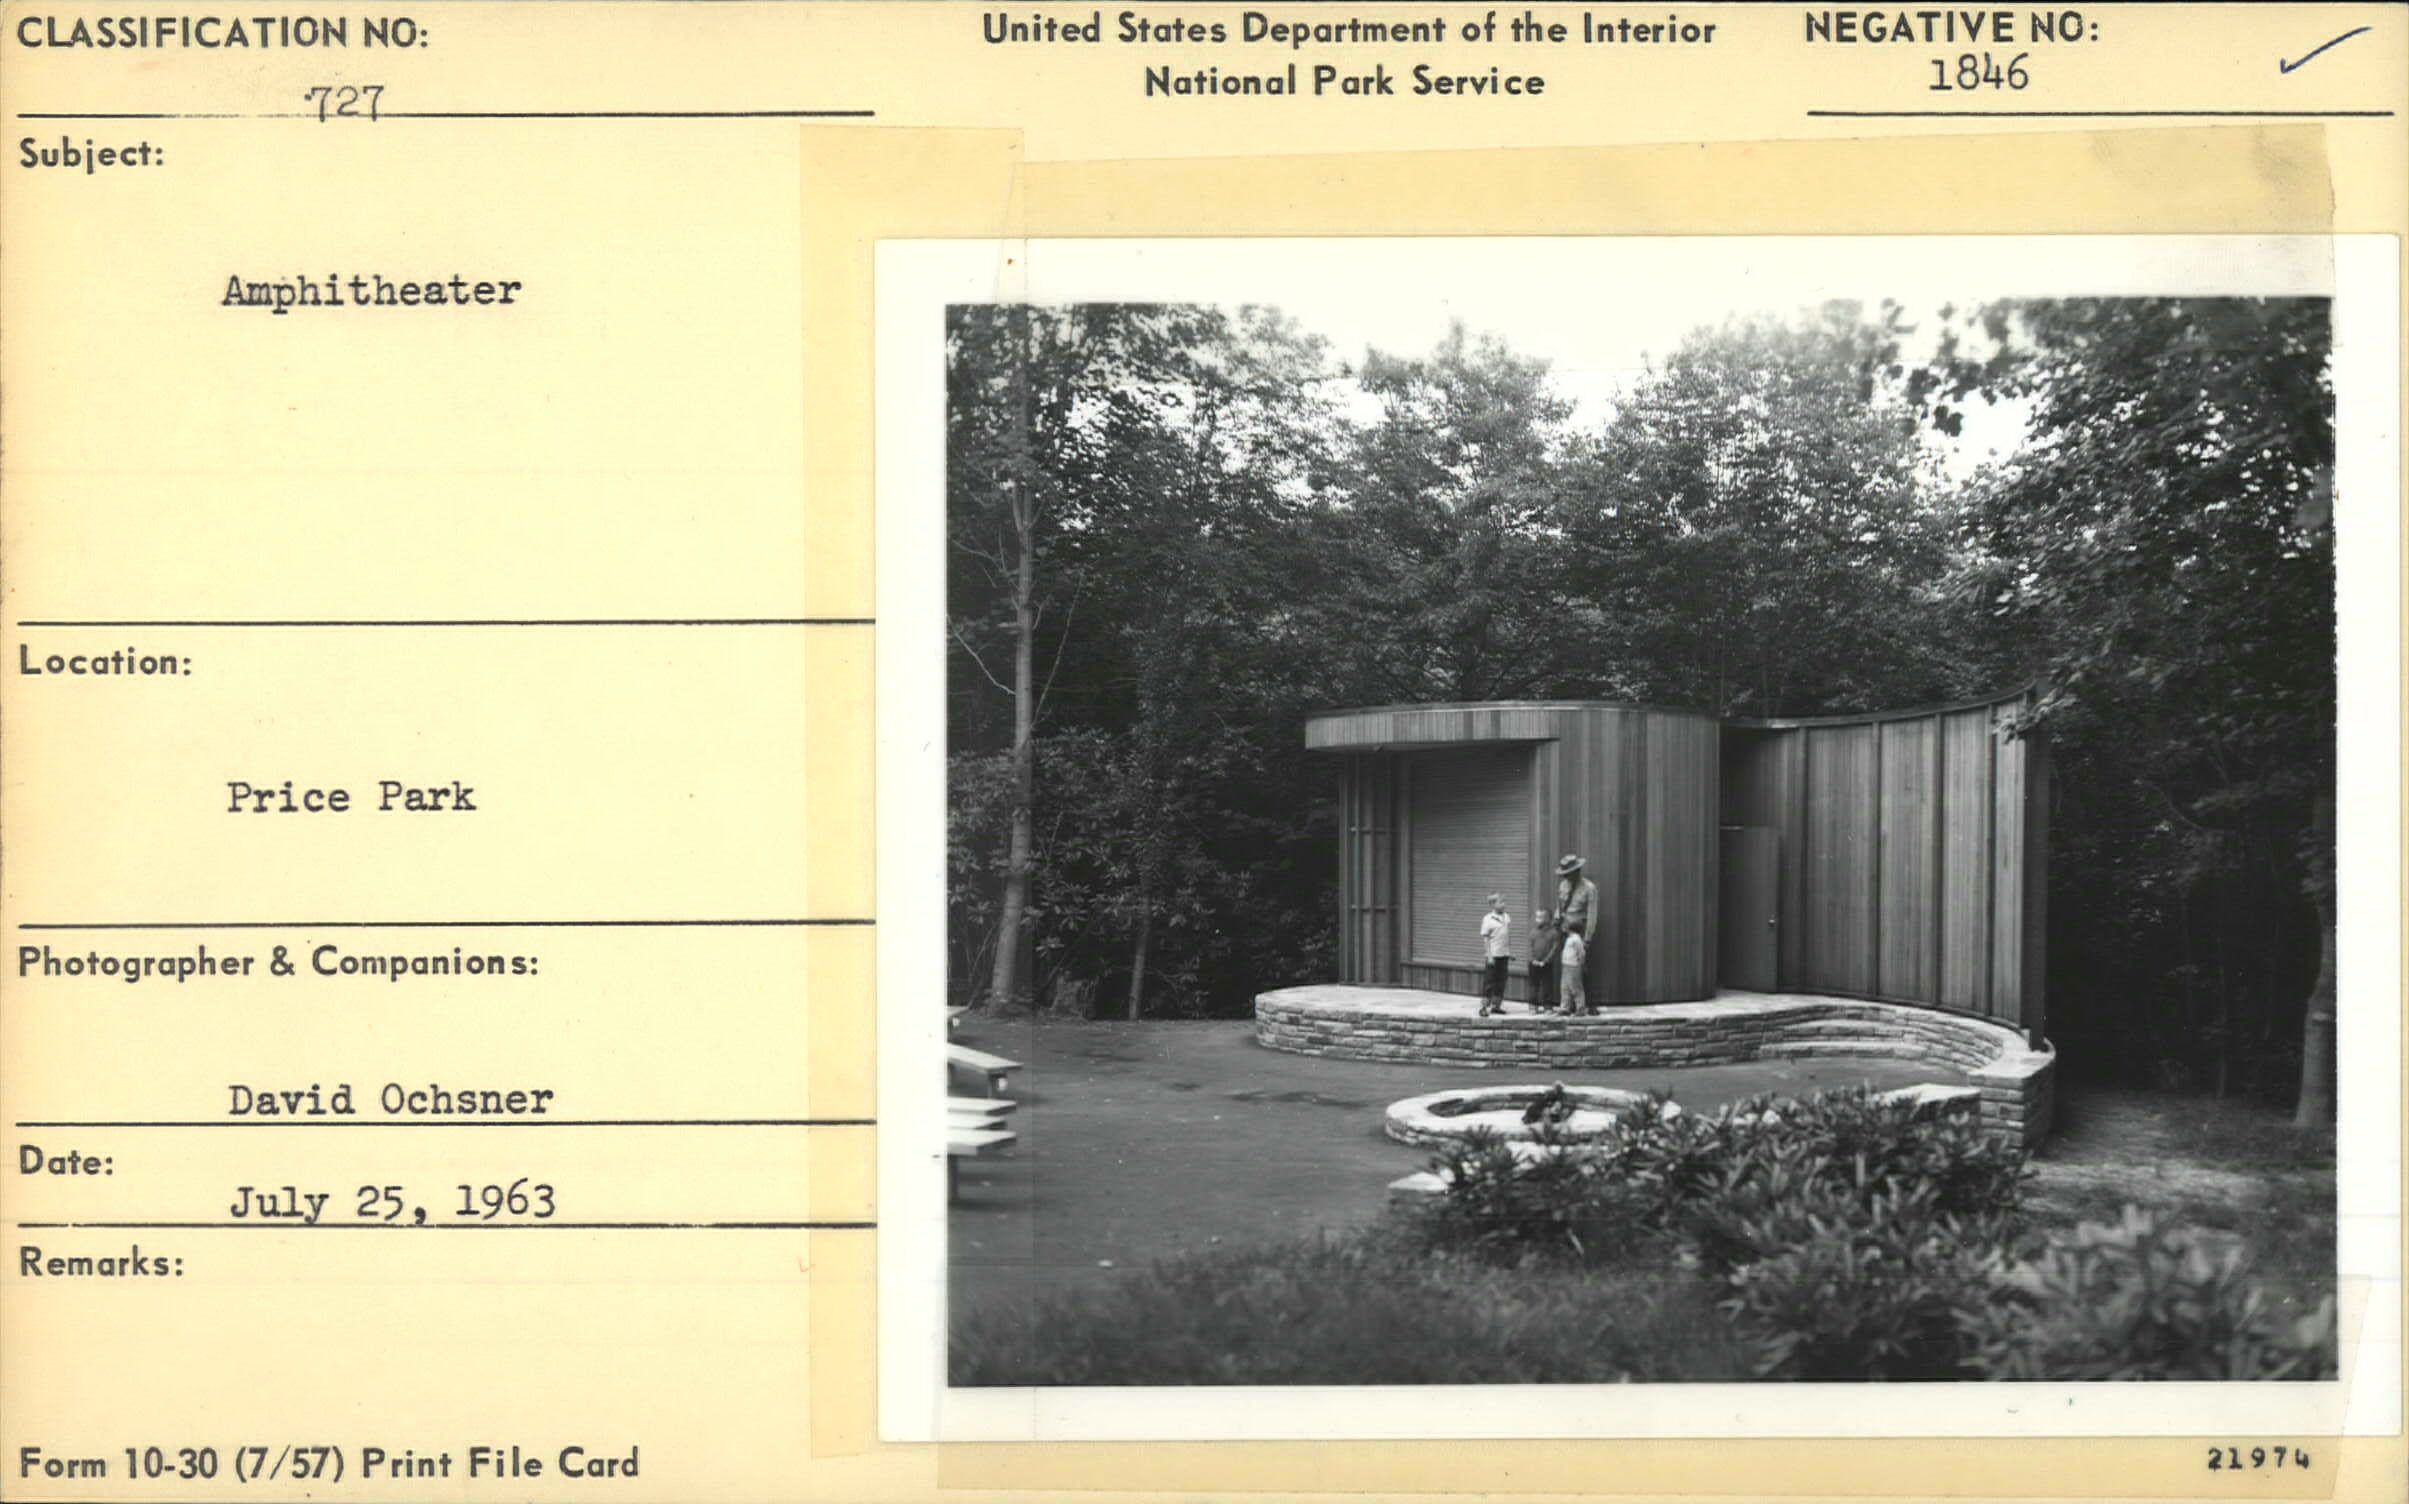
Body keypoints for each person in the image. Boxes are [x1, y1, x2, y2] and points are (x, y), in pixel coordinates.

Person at [1555, 853, 1600, 1013]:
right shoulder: (1563, 886)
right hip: (1565, 930)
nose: (1566, 877)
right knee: (1568, 969)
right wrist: (1557, 919)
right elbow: (1559, 905)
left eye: (1568, 873)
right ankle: (1567, 1004)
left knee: (1583, 969)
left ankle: (1590, 1004)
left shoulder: (1589, 888)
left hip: (1580, 932)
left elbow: (1592, 915)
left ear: (1577, 871)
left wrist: (1587, 938)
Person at [1476, 893, 1511, 1016]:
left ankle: (1496, 1005)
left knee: (1501, 981)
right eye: (1501, 902)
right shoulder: (1488, 919)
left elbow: (1506, 936)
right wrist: (1489, 955)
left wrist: (1509, 952)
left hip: (1504, 954)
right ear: (1492, 904)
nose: (1504, 904)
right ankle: (1484, 1007)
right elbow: (1486, 939)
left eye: (1504, 902)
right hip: (1494, 955)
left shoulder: (1506, 917)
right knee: (1489, 981)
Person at [1528, 908, 1561, 1013]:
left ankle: (1547, 1006)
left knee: (1547, 985)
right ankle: (1533, 1005)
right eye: (1537, 917)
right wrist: (1533, 959)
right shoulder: (1533, 932)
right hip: (1533, 963)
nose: (1537, 920)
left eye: (1540, 917)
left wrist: (1546, 961)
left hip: (1546, 964)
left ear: (1548, 919)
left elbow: (1554, 948)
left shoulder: (1553, 932)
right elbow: (1530, 947)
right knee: (1534, 985)